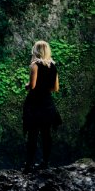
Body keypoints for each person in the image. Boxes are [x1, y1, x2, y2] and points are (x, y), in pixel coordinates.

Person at [22, 40, 61, 173]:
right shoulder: (53, 66)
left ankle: (29, 165)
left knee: (32, 134)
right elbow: (55, 88)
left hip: (34, 104)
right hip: (47, 105)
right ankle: (45, 162)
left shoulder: (35, 65)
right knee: (46, 135)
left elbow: (32, 86)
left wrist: (26, 85)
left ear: (36, 51)